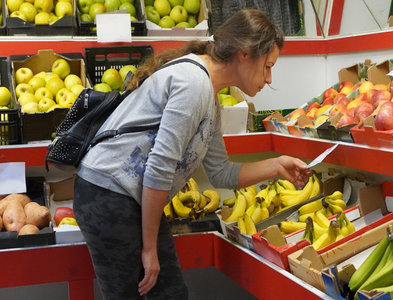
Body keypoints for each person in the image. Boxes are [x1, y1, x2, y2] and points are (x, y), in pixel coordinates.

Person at [73, 8, 312, 300]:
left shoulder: (209, 94)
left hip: (133, 201)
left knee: (170, 294)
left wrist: (277, 166)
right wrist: (149, 248)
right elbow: (159, 169)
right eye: (268, 66)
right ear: (245, 54)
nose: (270, 78)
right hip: (107, 196)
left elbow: (221, 172)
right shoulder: (194, 84)